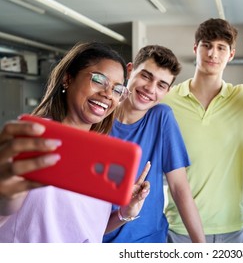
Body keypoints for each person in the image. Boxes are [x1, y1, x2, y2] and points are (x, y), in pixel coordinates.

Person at [0, 41, 150, 242]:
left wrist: (125, 213)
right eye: (99, 80)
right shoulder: (33, 138)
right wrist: (6, 195)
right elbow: (7, 204)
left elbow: (87, 227)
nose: (107, 94)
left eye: (117, 89)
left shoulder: (102, 152)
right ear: (67, 79)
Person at [162, 18, 243, 243]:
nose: (213, 53)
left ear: (231, 54)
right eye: (207, 45)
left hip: (233, 227)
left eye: (221, 47)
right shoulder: (168, 101)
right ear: (196, 49)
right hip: (180, 228)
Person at [103, 45, 205, 243]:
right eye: (146, 76)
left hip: (149, 241)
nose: (150, 89)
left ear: (168, 91)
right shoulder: (99, 117)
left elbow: (179, 188)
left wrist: (202, 247)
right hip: (99, 238)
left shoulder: (161, 118)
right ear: (130, 70)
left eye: (161, 85)